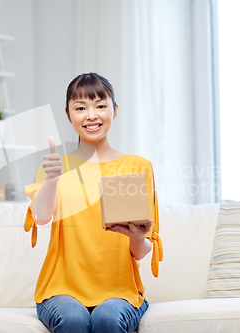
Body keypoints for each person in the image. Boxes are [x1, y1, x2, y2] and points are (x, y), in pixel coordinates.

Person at [23, 72, 163, 333]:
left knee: (107, 318)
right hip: (60, 290)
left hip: (120, 292)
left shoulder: (137, 167)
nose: (91, 115)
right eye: (80, 108)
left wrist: (136, 235)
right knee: (74, 319)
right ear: (68, 114)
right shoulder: (55, 166)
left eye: (100, 105)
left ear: (115, 109)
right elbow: (41, 217)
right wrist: (53, 178)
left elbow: (142, 251)